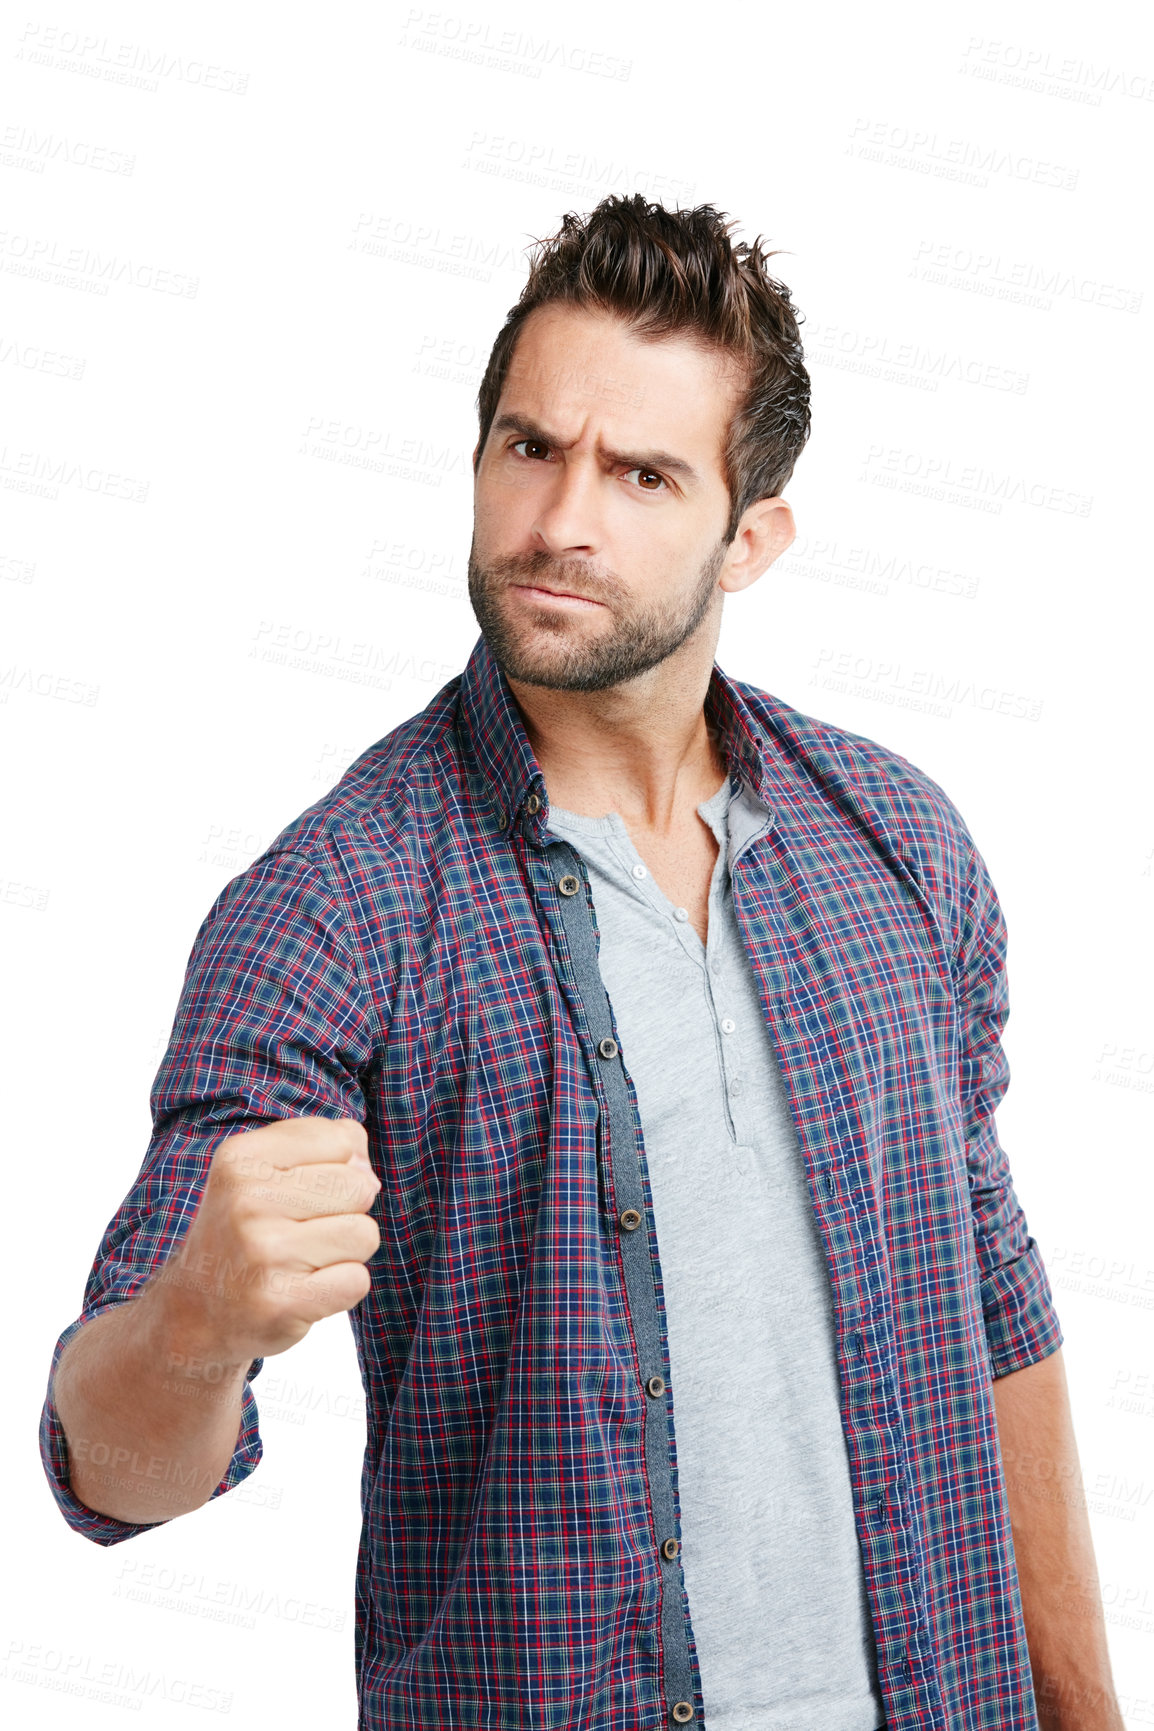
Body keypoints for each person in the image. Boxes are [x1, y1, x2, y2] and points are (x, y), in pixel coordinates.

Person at [41, 195, 1123, 1731]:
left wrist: (1082, 1708)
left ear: (749, 535)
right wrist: (200, 1322)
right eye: (528, 447)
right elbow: (109, 1478)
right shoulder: (336, 908)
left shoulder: (894, 843)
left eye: (642, 474)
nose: (561, 520)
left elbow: (995, 1311)